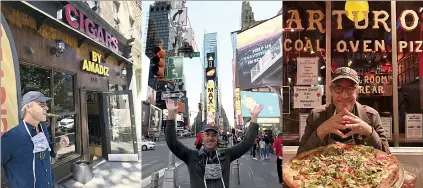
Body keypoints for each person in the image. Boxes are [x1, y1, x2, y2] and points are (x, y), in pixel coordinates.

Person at [165, 99, 263, 188]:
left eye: (214, 135)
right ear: (202, 136)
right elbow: (172, 143)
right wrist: (170, 115)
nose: (210, 138)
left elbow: (246, 144)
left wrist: (254, 117)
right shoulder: (192, 156)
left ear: (217, 137)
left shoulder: (226, 155)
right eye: (207, 135)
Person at [297, 67, 390, 155]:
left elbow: (387, 155)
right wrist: (321, 131)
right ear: (331, 91)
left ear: (357, 91)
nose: (344, 96)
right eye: (338, 89)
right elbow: (300, 156)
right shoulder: (316, 116)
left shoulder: (372, 116)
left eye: (350, 89)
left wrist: (369, 132)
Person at [2, 91, 70, 188]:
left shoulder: (44, 129)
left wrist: (60, 145)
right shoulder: (11, 138)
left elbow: (49, 150)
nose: (46, 108)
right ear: (28, 107)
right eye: (41, 104)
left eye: (46, 105)